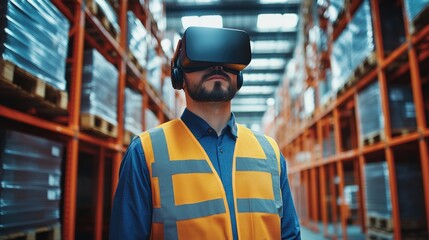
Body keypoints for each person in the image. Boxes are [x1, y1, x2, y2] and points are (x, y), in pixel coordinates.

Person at [110, 26, 301, 240]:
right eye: (202, 58)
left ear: (239, 77)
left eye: (226, 60)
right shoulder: (144, 153)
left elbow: (289, 235)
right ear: (178, 75)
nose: (217, 66)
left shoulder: (270, 154)